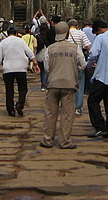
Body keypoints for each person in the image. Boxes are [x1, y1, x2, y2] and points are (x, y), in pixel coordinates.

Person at [40, 21, 86, 149]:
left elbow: (47, 68)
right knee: (67, 114)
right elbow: (83, 65)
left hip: (53, 83)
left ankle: (47, 139)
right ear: (67, 34)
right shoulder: (75, 48)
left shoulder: (50, 49)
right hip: (69, 83)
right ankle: (64, 141)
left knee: (50, 112)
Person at [0, 25, 40, 117]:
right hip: (21, 68)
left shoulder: (3, 42)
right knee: (23, 88)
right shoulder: (21, 41)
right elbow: (30, 54)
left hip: (7, 69)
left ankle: (11, 110)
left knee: (9, 90)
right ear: (16, 33)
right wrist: (36, 64)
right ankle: (20, 104)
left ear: (7, 34)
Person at [67, 19, 92, 115]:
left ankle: (68, 106)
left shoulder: (65, 34)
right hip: (79, 59)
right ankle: (78, 107)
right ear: (77, 26)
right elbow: (88, 47)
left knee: (68, 85)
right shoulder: (81, 33)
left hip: (67, 60)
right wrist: (92, 59)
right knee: (80, 85)